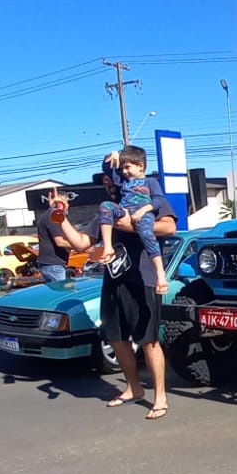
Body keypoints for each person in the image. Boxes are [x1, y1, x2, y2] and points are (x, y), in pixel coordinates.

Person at [49, 166, 177, 420]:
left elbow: (169, 228)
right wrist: (60, 217)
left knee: (148, 340)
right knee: (117, 338)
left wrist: (131, 224)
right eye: (105, 181)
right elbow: (82, 243)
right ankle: (134, 388)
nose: (109, 184)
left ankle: (160, 396)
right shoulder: (107, 210)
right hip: (114, 280)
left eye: (113, 178)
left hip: (145, 281)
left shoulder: (149, 199)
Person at [89, 147, 167, 294]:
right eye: (122, 167)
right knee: (105, 206)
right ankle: (107, 247)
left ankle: (160, 274)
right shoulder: (123, 182)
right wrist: (113, 156)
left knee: (146, 234)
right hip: (125, 210)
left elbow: (159, 199)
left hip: (143, 213)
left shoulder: (150, 182)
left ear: (141, 166)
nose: (124, 171)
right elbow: (108, 168)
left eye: (127, 167)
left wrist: (143, 211)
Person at [35, 203, 73, 283]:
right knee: (61, 293)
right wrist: (79, 245)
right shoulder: (53, 216)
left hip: (53, 264)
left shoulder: (49, 215)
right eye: (66, 202)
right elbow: (60, 242)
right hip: (54, 265)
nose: (68, 205)